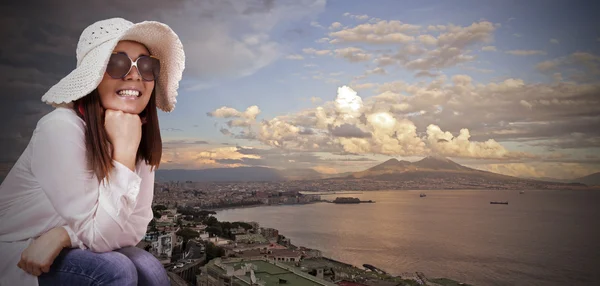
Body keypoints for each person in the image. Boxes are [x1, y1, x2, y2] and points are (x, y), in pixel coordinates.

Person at [0, 17, 185, 286]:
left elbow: (133, 230)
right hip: (19, 251)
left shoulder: (137, 136)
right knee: (115, 270)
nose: (135, 75)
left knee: (150, 268)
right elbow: (99, 236)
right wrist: (123, 152)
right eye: (117, 63)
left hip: (68, 246)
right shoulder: (60, 128)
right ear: (92, 77)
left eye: (147, 66)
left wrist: (63, 235)